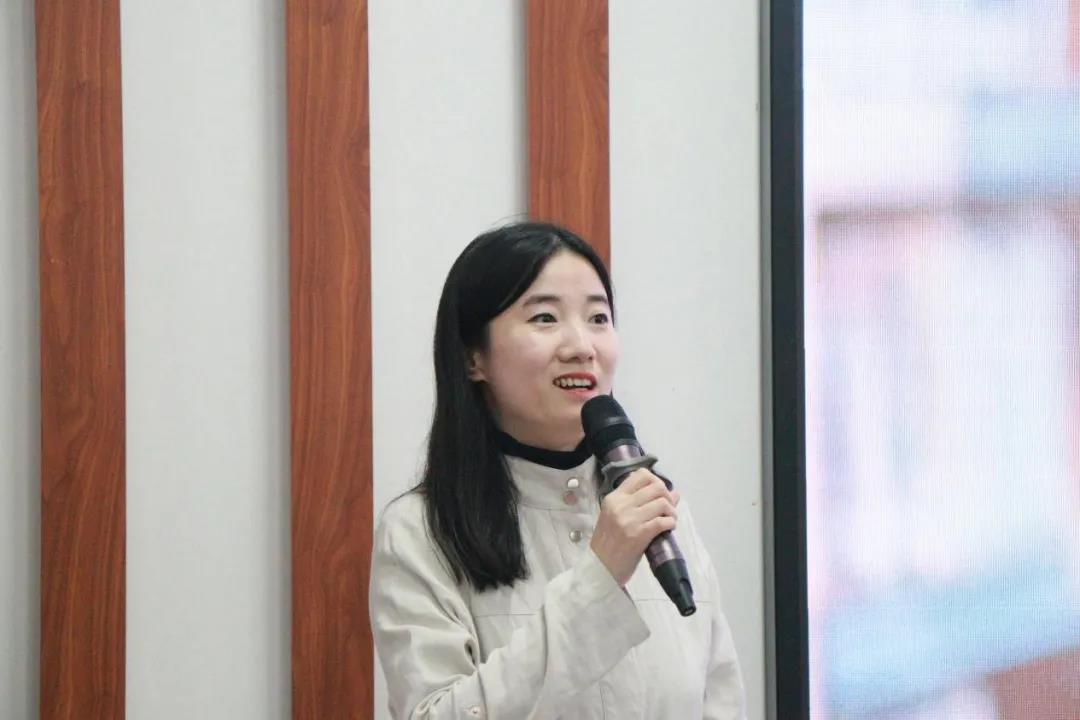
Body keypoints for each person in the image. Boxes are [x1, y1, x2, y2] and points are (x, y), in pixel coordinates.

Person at [369, 221, 745, 719]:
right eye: (545, 318)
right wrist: (599, 578)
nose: (581, 346)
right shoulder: (420, 531)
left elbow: (721, 699)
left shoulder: (661, 511)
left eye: (598, 318)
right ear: (473, 357)